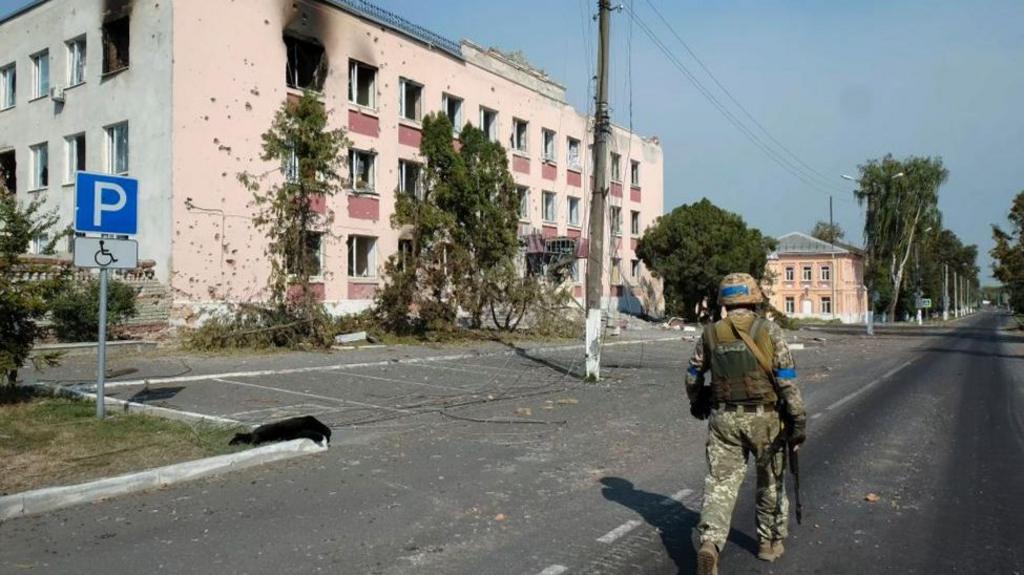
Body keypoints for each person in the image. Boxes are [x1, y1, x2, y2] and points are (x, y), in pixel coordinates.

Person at [684, 273, 807, 575]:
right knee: (770, 481)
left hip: (724, 419)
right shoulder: (769, 330)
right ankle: (768, 544)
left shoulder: (711, 334)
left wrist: (697, 401)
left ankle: (710, 543)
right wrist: (798, 422)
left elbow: (692, 376)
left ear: (724, 302)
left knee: (720, 484)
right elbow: (787, 381)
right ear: (754, 299)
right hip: (765, 420)